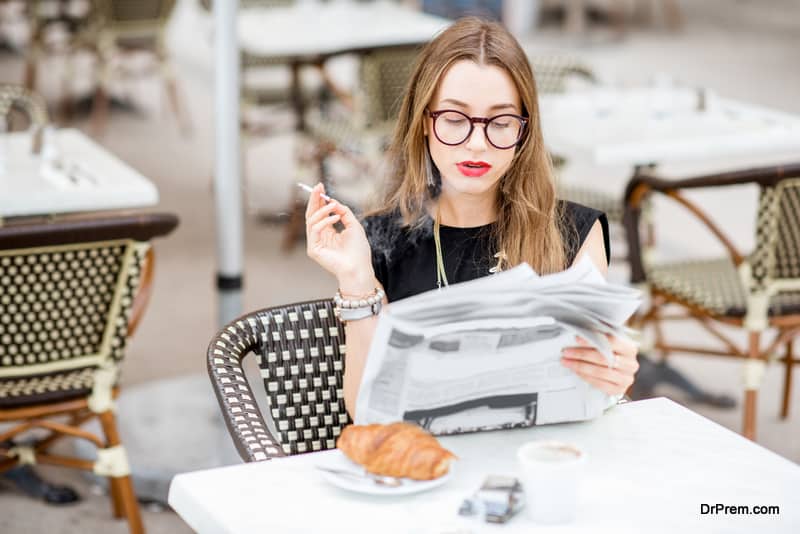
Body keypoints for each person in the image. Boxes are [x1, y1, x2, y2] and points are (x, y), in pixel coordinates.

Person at [304, 17, 638, 418]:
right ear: (425, 122)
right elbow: (364, 411)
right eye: (454, 119)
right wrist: (357, 280)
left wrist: (614, 372)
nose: (477, 144)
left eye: (500, 122)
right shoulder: (381, 240)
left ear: (524, 131)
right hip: (429, 472)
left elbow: (591, 396)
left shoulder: (574, 234)